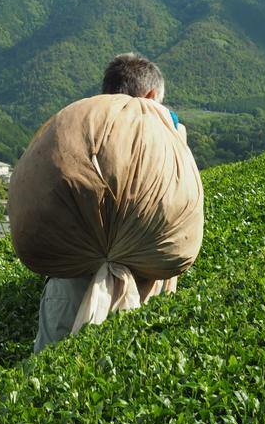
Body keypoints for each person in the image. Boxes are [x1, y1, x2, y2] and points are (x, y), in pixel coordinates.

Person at [33, 53, 186, 353]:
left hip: (68, 283)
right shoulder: (166, 134)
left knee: (46, 384)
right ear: (151, 95)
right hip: (141, 287)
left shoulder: (79, 125)